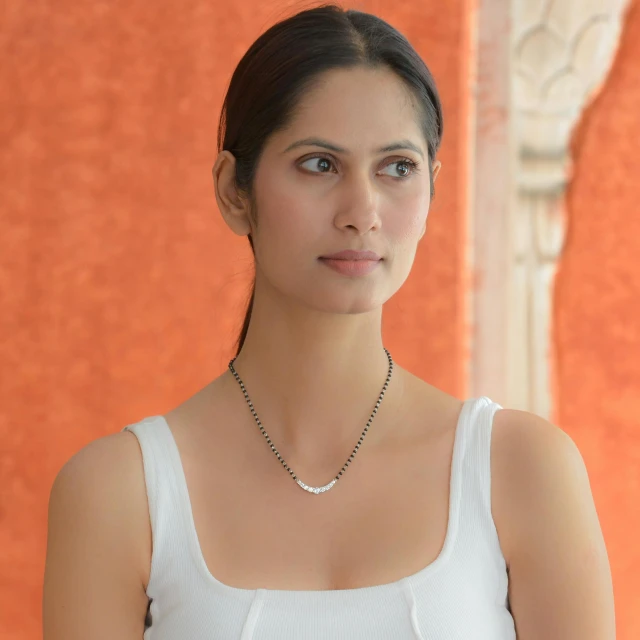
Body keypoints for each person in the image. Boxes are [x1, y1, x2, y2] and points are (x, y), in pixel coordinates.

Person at [43, 4, 615, 639]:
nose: (362, 212)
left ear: (432, 191)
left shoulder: (523, 472)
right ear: (235, 190)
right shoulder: (119, 494)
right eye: (319, 164)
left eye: (397, 167)